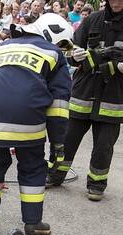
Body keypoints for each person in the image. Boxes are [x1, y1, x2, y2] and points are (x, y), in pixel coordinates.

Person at [0, 14, 73, 235]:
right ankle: (33, 222)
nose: (61, 48)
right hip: (29, 123)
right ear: (50, 34)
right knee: (33, 167)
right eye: (62, 43)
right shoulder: (54, 54)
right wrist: (58, 142)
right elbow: (59, 104)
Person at [47, 0, 123, 201]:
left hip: (113, 95)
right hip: (84, 90)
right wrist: (75, 55)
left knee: (104, 145)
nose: (116, 2)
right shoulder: (92, 20)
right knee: (67, 138)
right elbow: (71, 48)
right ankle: (55, 174)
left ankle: (97, 184)